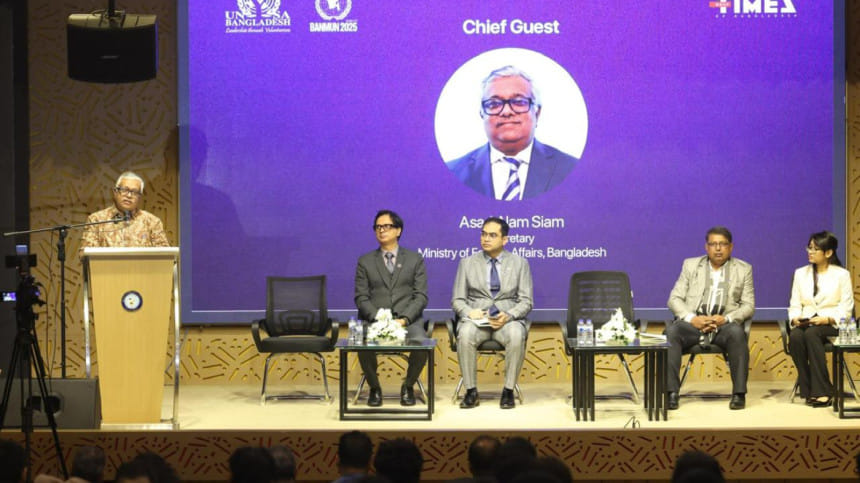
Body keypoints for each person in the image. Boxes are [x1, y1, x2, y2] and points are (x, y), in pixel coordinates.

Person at [445, 65, 577, 201]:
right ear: (482, 114)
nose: (506, 111)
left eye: (519, 102)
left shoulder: (571, 169)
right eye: (494, 104)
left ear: (537, 113)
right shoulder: (453, 172)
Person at [666, 226, 754, 410]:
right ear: (706, 247)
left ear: (731, 247)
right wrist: (692, 318)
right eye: (713, 244)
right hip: (693, 324)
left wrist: (726, 319)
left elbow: (748, 306)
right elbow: (674, 299)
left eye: (723, 244)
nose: (718, 249)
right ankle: (671, 393)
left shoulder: (743, 269)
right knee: (672, 332)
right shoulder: (690, 265)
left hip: (723, 326)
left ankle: (739, 394)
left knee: (737, 333)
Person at [452, 217, 533, 409]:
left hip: (506, 320)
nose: (485, 238)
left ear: (504, 240)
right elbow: (457, 300)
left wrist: (509, 315)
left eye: (492, 235)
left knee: (516, 334)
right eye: (483, 234)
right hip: (477, 320)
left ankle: (508, 391)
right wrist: (470, 313)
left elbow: (526, 301)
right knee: (465, 333)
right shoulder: (467, 263)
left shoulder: (520, 263)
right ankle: (471, 391)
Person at [354, 210, 429, 407]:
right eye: (378, 227)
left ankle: (408, 386)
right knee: (362, 341)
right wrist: (379, 318)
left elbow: (420, 296)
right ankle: (374, 387)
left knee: (422, 341)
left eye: (386, 226)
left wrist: (403, 319)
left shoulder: (414, 259)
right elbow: (361, 297)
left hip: (407, 321)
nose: (381, 230)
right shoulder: (365, 261)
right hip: (375, 321)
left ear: (398, 230)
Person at [788, 231, 853, 407]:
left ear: (828, 252)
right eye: (809, 247)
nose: (810, 252)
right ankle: (812, 388)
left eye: (815, 249)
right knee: (795, 336)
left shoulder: (842, 275)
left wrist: (827, 319)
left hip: (832, 323)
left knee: (812, 333)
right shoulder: (800, 273)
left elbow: (846, 309)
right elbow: (795, 304)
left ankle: (821, 391)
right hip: (807, 321)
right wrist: (795, 319)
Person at [80, 171, 169, 252]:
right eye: (124, 190)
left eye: (134, 192)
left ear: (139, 197)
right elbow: (85, 255)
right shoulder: (96, 220)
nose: (129, 195)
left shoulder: (152, 222)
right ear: (115, 192)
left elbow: (165, 256)